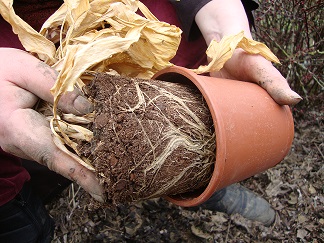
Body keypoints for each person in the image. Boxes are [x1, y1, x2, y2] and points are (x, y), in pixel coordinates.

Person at [0, 0, 301, 241]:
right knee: (44, 178)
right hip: (15, 86)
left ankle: (210, 183)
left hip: (162, 54)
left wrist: (227, 34)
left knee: (206, 132)